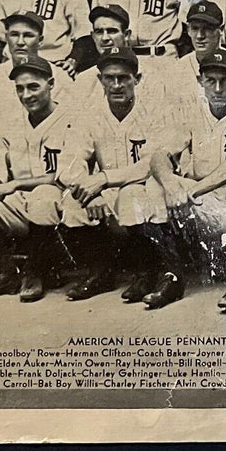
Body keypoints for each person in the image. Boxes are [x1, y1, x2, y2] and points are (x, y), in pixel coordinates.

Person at [57, 46, 187, 308]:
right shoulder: (89, 115)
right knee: (72, 203)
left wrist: (103, 178)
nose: (116, 85)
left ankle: (148, 271)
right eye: (109, 78)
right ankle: (100, 272)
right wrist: (87, 191)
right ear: (99, 80)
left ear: (136, 79)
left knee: (132, 196)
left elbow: (152, 164)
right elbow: (69, 163)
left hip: (145, 188)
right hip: (107, 191)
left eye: (124, 78)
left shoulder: (154, 112)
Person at [147, 49, 226, 297]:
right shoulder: (191, 114)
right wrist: (171, 185)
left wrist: (191, 190)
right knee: (154, 183)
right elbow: (159, 155)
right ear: (200, 81)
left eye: (225, 81)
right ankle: (172, 276)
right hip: (201, 203)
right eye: (211, 81)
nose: (218, 88)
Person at [0, 54, 79, 302]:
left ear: (51, 83)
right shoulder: (11, 121)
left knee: (43, 197)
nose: (26, 95)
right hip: (19, 201)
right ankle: (4, 271)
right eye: (20, 89)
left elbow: (63, 175)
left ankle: (35, 272)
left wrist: (14, 183)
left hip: (61, 204)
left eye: (33, 86)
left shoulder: (72, 118)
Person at [0, 11, 73, 131]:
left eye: (28, 35)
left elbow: (69, 123)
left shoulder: (60, 76)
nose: (20, 42)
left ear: (40, 41)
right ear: (7, 38)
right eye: (14, 35)